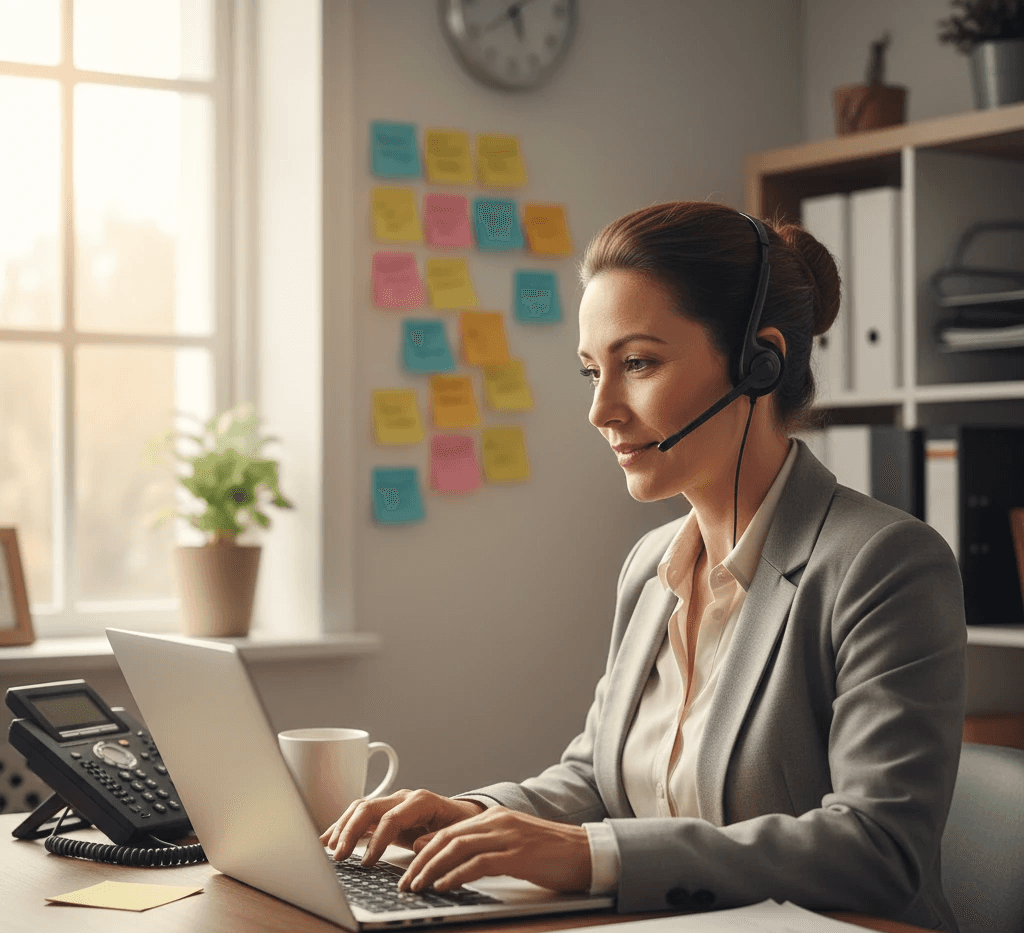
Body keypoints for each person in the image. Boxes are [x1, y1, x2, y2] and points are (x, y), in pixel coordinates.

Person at [321, 201, 967, 932]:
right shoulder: (651, 563)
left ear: (761, 361)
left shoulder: (884, 566)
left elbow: (879, 849)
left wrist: (595, 855)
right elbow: (598, 778)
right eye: (592, 371)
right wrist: (475, 812)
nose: (601, 408)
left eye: (637, 363)